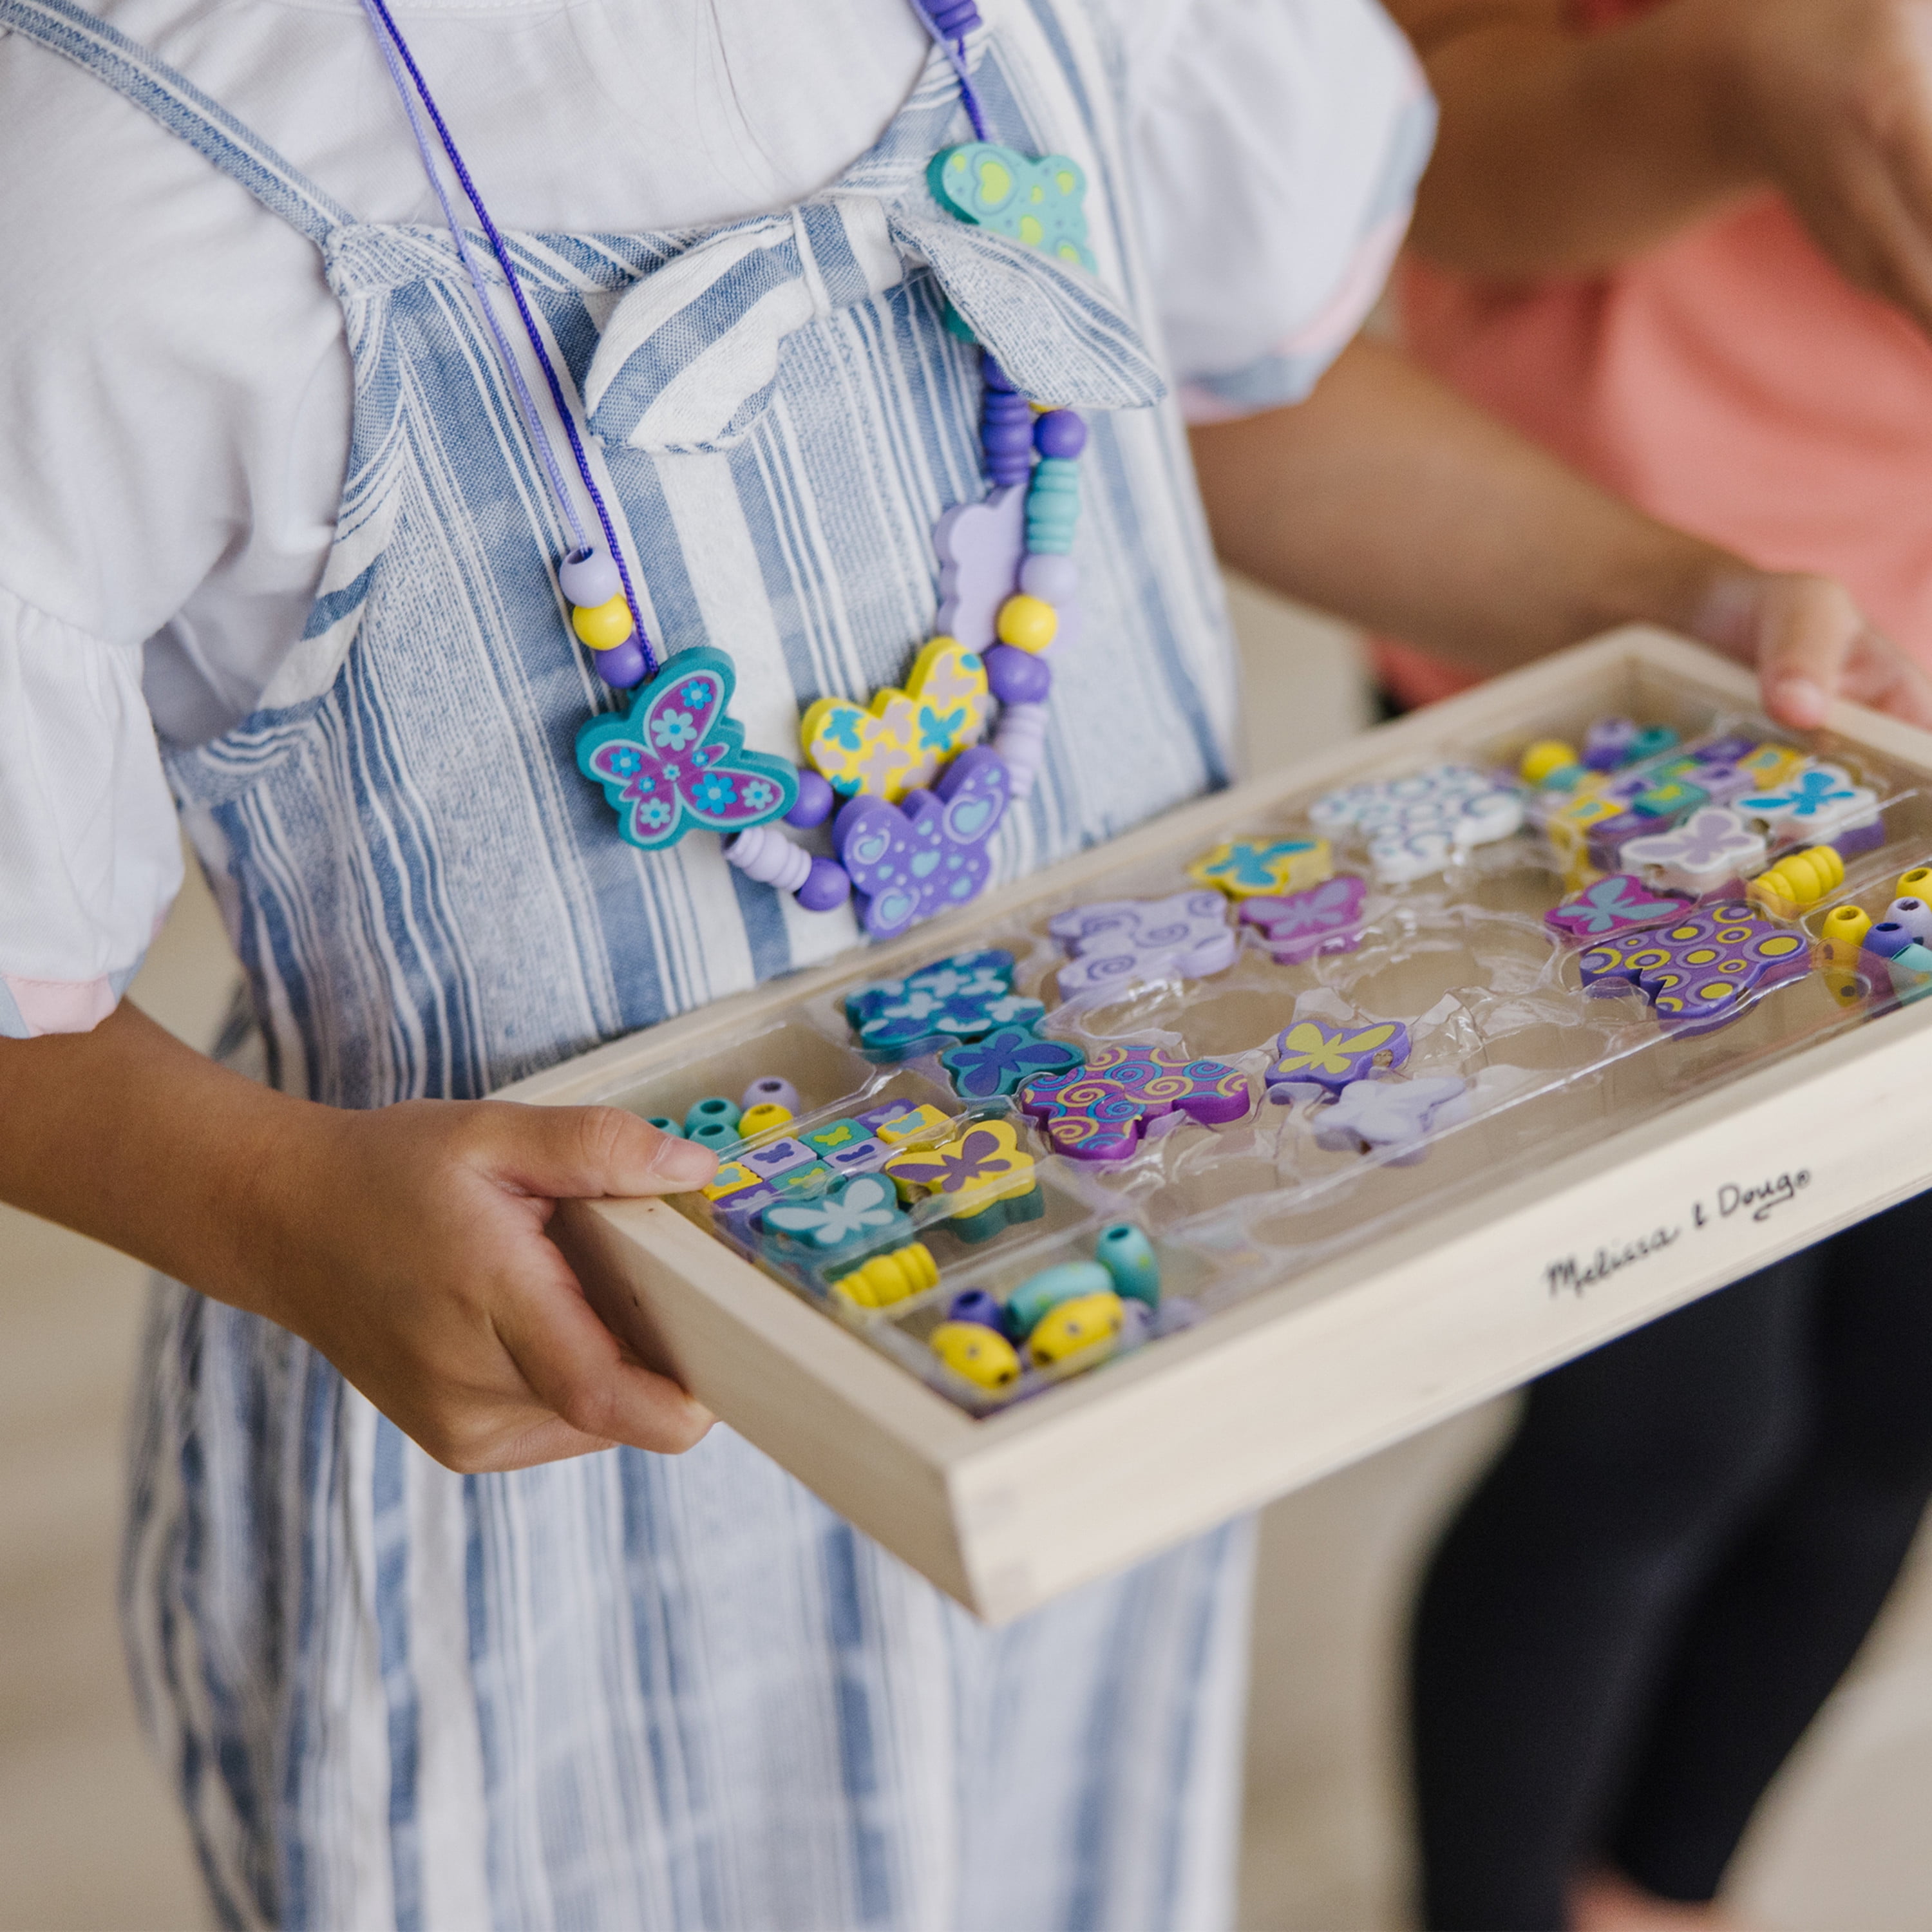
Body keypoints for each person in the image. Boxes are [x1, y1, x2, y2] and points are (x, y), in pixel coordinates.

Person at [1, 0, 1926, 1924]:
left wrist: (1650, 592)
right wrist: (277, 1208)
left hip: (1082, 1348)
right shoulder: (107, 178)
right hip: (524, 1468)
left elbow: (1234, 400)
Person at [1379, 3, 1932, 1926]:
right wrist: (1740, 81)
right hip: (1598, 678)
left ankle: (1665, 1888)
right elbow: (1406, 172)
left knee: (1892, 1411)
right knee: (1663, 1430)